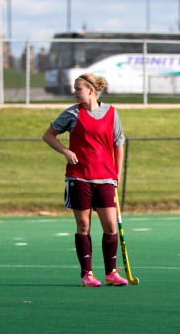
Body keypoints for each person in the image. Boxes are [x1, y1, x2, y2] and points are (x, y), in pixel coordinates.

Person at [42, 73, 129, 287]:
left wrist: (116, 175)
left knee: (110, 225)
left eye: (77, 88)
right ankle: (87, 274)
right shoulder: (72, 113)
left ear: (91, 90)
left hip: (105, 178)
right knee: (83, 225)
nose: (74, 92)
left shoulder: (111, 113)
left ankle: (111, 273)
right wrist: (65, 151)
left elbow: (119, 144)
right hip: (79, 177)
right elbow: (48, 135)